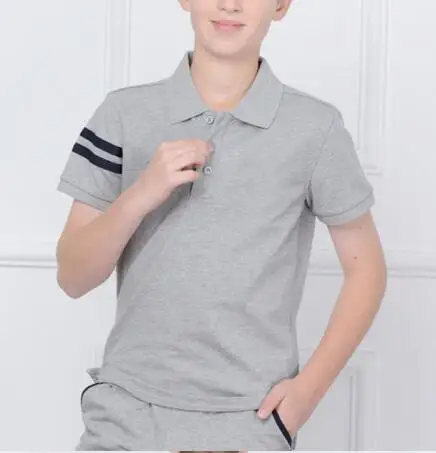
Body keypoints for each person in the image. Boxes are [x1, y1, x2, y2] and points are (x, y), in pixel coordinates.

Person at [56, 0, 387, 450]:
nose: (230, 3)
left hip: (249, 421)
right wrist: (141, 193)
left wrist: (305, 397)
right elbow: (73, 278)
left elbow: (367, 270)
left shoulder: (316, 128)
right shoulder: (122, 113)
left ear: (281, 5)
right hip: (125, 418)